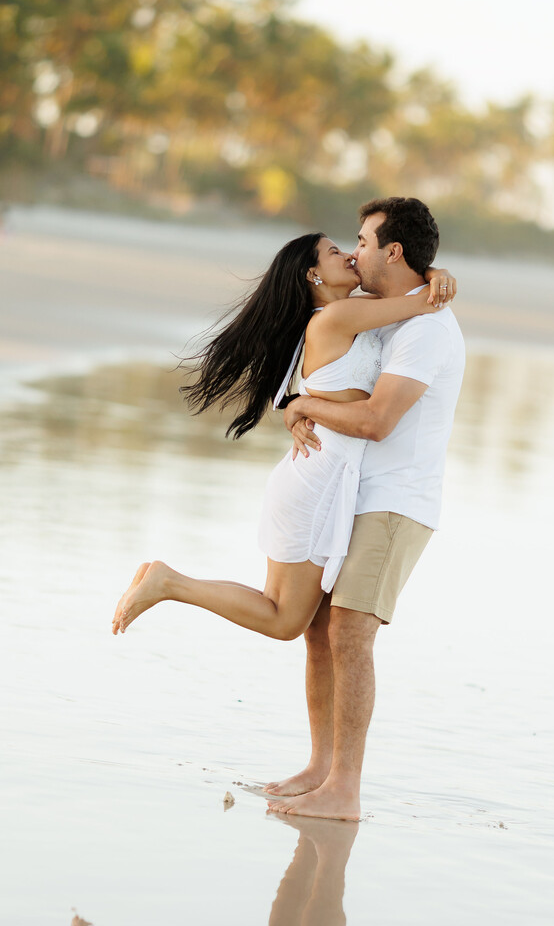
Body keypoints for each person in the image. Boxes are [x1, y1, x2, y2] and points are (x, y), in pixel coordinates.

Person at [111, 229, 455, 647]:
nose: (348, 255)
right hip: (316, 482)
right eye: (334, 252)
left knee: (284, 611)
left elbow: (408, 295)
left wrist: (435, 270)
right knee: (284, 620)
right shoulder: (336, 318)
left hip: (322, 476)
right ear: (313, 274)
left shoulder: (344, 312)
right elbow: (421, 300)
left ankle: (170, 582)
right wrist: (440, 276)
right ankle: (171, 583)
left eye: (353, 246)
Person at [264, 197, 465, 822]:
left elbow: (376, 421)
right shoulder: (391, 316)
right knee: (322, 634)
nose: (356, 251)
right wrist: (302, 401)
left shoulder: (426, 330)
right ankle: (321, 769)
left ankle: (344, 789)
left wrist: (305, 407)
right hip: (356, 496)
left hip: (396, 501)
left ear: (393, 251)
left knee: (351, 634)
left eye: (364, 240)